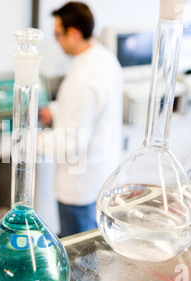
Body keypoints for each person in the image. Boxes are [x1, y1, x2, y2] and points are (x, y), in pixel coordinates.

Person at [38, 1, 123, 237]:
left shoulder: (81, 80)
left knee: (78, 260)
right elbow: (95, 108)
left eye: (57, 34)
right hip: (103, 177)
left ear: (73, 34)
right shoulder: (106, 60)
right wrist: (55, 111)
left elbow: (70, 144)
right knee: (94, 247)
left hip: (80, 185)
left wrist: (32, 140)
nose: (56, 41)